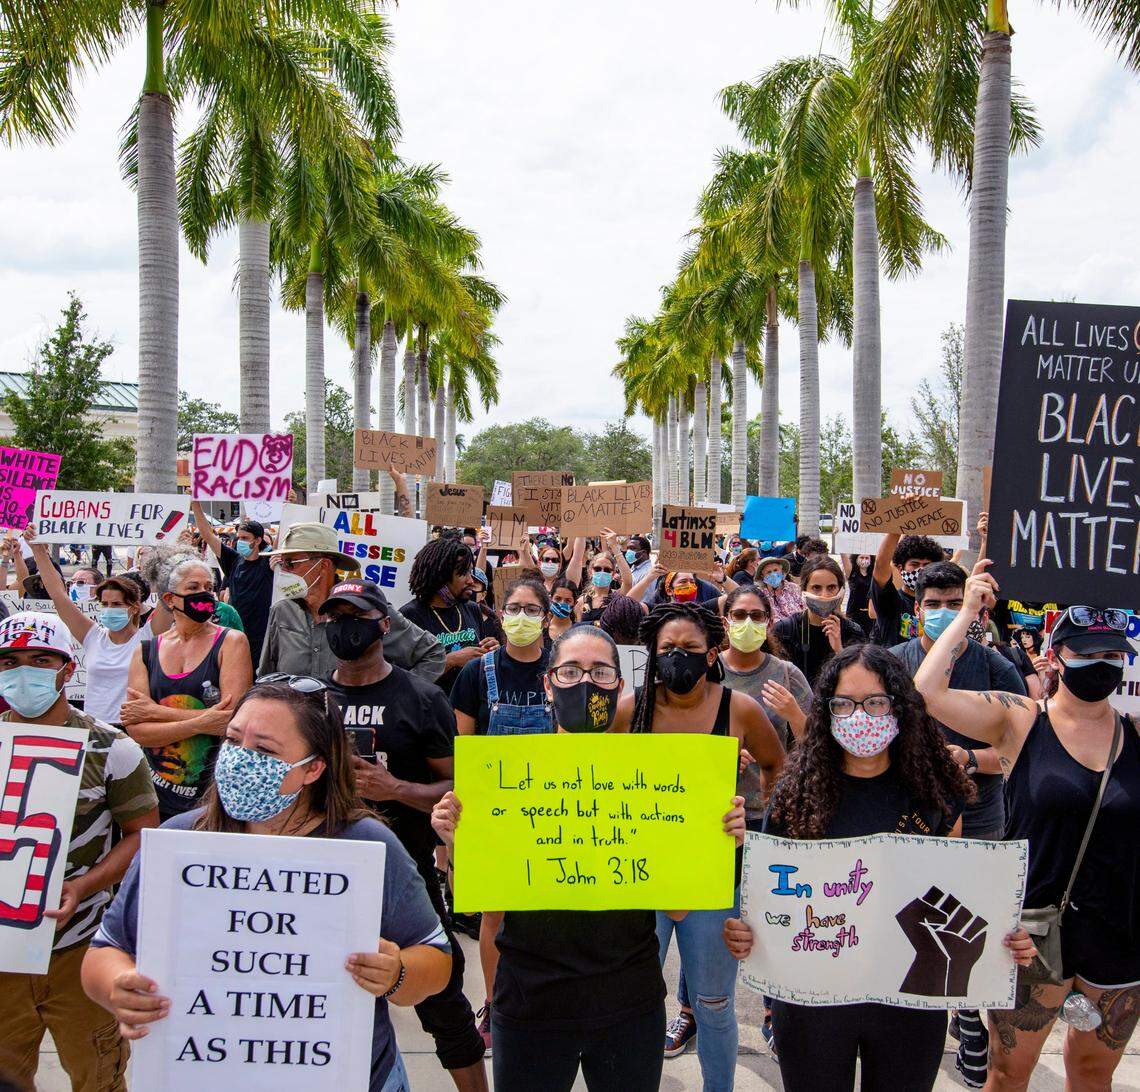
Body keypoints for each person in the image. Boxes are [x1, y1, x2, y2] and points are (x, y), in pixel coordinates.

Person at [82, 680, 453, 1092]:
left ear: (314, 768)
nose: (241, 759)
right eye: (233, 739)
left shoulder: (365, 845)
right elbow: (106, 950)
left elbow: (436, 961)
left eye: (266, 750)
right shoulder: (180, 841)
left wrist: (397, 973)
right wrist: (119, 985)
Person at [431, 625, 747, 1092]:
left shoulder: (654, 777)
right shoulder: (507, 776)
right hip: (531, 1005)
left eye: (600, 672)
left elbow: (678, 908)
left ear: (620, 686)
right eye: (572, 670)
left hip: (628, 1005)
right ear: (548, 681)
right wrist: (455, 842)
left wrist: (716, 840)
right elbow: (487, 910)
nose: (586, 682)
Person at [723, 644, 1037, 1090]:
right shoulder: (795, 795)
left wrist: (1006, 936)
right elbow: (774, 898)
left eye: (874, 702)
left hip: (908, 1001)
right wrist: (747, 930)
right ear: (827, 711)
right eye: (844, 704)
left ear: (900, 707)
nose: (859, 715)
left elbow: (958, 893)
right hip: (814, 1001)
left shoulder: (935, 795)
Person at [915, 579, 1140, 1092]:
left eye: (1112, 652)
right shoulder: (1020, 720)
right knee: (1008, 1072)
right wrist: (969, 610)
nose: (1102, 663)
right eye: (1088, 652)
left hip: (1121, 932)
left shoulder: (1135, 732)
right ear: (1057, 654)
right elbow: (927, 694)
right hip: (1031, 934)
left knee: (1091, 1074)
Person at [322, 579, 488, 1092]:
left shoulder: (421, 698)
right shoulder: (306, 699)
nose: (347, 627)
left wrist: (396, 788)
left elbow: (457, 784)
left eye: (358, 616)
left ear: (385, 624)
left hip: (406, 874)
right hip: (324, 878)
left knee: (441, 1000)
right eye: (336, 617)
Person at [614, 603, 784, 1090]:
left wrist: (758, 821)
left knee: (714, 1004)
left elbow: (779, 765)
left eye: (689, 650)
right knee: (633, 1003)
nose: (677, 659)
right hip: (640, 877)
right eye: (667, 650)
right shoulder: (631, 709)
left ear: (712, 654)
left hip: (712, 877)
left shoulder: (740, 709)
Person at [0, 611, 159, 1092]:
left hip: (80, 950)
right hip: (4, 953)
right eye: (11, 661)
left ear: (67, 670)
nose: (24, 671)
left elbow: (142, 836)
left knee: (97, 1074)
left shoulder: (112, 749)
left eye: (40, 659)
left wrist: (84, 885)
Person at [888, 560, 1028, 1086]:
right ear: (916, 611)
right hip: (913, 808)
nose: (943, 613)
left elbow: (1022, 748)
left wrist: (968, 761)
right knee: (917, 909)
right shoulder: (895, 664)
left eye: (955, 603)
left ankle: (969, 1016)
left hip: (982, 809)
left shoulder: (997, 668)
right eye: (934, 604)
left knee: (972, 912)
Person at [452, 578, 557, 1045]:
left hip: (554, 810)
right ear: (499, 613)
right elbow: (464, 750)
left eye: (532, 609)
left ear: (548, 617)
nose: (521, 618)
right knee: (494, 916)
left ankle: (546, 1000)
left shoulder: (565, 669)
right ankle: (495, 1004)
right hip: (495, 815)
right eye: (513, 608)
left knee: (548, 915)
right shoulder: (477, 674)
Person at [120, 555, 252, 821]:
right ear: (170, 600)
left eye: (208, 587)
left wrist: (155, 711)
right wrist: (203, 722)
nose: (203, 594)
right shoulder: (145, 651)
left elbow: (231, 722)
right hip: (156, 794)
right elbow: (138, 730)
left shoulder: (231, 643)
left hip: (215, 795)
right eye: (193, 588)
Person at [260, 522, 445, 684]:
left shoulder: (368, 610)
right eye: (281, 563)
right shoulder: (281, 611)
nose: (283, 570)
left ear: (323, 566)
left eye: (291, 563)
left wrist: (397, 697)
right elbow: (266, 678)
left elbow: (433, 654)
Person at [28, 533, 145, 724]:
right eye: (105, 604)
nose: (109, 609)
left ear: (134, 607)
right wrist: (38, 550)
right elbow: (59, 595)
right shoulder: (93, 636)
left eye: (116, 604)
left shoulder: (147, 637)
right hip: (94, 727)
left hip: (133, 728)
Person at [399, 534, 500, 695]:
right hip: (431, 712)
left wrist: (492, 652)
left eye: (470, 573)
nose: (471, 581)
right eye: (463, 574)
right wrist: (450, 661)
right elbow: (402, 681)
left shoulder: (472, 609)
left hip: (468, 710)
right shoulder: (409, 616)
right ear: (441, 577)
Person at [190, 501, 273, 664]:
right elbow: (207, 534)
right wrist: (196, 504)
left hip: (261, 636)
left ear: (257, 540)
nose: (239, 541)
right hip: (234, 632)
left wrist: (288, 505)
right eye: (238, 537)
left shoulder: (268, 563)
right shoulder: (233, 560)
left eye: (245, 538)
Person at [773, 556, 866, 688]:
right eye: (816, 588)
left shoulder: (852, 632)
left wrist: (840, 651)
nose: (824, 595)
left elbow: (861, 681)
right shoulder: (784, 631)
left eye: (831, 587)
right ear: (804, 590)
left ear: (841, 590)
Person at [869, 533, 944, 646]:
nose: (921, 570)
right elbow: (881, 565)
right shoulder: (891, 601)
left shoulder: (942, 603)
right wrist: (896, 528)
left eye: (927, 565)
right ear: (900, 569)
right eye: (915, 564)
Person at [574, 530, 634, 623]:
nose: (602, 572)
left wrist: (614, 546)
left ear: (613, 574)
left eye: (607, 570)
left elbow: (628, 582)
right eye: (597, 569)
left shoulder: (617, 597)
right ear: (590, 572)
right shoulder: (582, 602)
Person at [756, 555, 803, 623]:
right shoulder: (761, 595)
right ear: (762, 576)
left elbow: (805, 609)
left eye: (775, 570)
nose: (773, 574)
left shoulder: (793, 588)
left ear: (781, 571)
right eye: (769, 572)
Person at [842, 553, 874, 635]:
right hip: (854, 613)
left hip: (869, 613)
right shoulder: (852, 573)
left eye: (867, 558)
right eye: (862, 557)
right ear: (856, 559)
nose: (864, 560)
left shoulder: (873, 574)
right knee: (854, 637)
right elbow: (844, 557)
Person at [547, 577, 578, 642]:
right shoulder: (540, 629)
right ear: (550, 599)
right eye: (558, 599)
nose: (562, 603)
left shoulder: (579, 632)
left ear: (575, 603)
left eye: (568, 600)